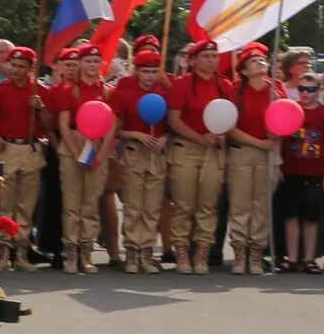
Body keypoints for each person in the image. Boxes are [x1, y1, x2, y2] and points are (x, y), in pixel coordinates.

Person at [105, 38, 174, 273]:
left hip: (157, 155)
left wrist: (165, 137)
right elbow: (116, 129)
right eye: (145, 71)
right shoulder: (125, 93)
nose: (150, 76)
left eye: (154, 71)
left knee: (152, 206)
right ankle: (132, 252)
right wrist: (135, 134)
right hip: (135, 153)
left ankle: (147, 252)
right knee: (134, 205)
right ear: (137, 71)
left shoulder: (164, 95)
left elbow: (172, 125)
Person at [42, 41, 112, 271]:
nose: (92, 65)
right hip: (73, 143)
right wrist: (77, 153)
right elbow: (62, 125)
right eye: (87, 61)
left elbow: (112, 126)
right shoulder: (67, 90)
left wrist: (100, 155)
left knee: (90, 202)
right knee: (72, 202)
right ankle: (71, 251)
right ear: (80, 64)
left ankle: (86, 251)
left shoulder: (107, 91)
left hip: (98, 144)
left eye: (95, 61)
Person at [165, 40, 232, 272]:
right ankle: (182, 252)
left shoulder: (225, 85)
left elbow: (229, 119)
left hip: (213, 151)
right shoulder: (182, 84)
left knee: (208, 205)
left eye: (214, 56)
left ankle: (202, 253)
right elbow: (174, 120)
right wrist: (199, 138)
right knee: (184, 204)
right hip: (187, 149)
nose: (211, 60)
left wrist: (221, 136)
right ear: (193, 60)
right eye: (206, 56)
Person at [220, 44, 281, 275]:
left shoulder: (276, 89)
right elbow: (229, 127)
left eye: (263, 59)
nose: (261, 63)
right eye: (254, 61)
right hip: (242, 151)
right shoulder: (235, 91)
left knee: (261, 205)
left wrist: (276, 136)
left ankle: (256, 254)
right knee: (240, 204)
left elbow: (284, 120)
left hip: (267, 153)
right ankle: (239, 254)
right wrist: (259, 143)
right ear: (244, 70)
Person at [0, 45, 45, 269]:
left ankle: (21, 253)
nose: (17, 70)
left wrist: (40, 109)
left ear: (31, 68)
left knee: (26, 204)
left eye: (22, 66)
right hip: (7, 148)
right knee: (5, 203)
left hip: (30, 148)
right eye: (14, 65)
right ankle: (2, 252)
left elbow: (48, 126)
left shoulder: (38, 91)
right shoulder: (0, 90)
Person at [275, 61, 324, 272]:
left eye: (310, 89)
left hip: (316, 172)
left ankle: (309, 258)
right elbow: (280, 139)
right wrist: (278, 165)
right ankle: (292, 258)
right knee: (291, 215)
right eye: (301, 89)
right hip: (292, 170)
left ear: (319, 91)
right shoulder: (291, 110)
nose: (306, 93)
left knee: (312, 217)